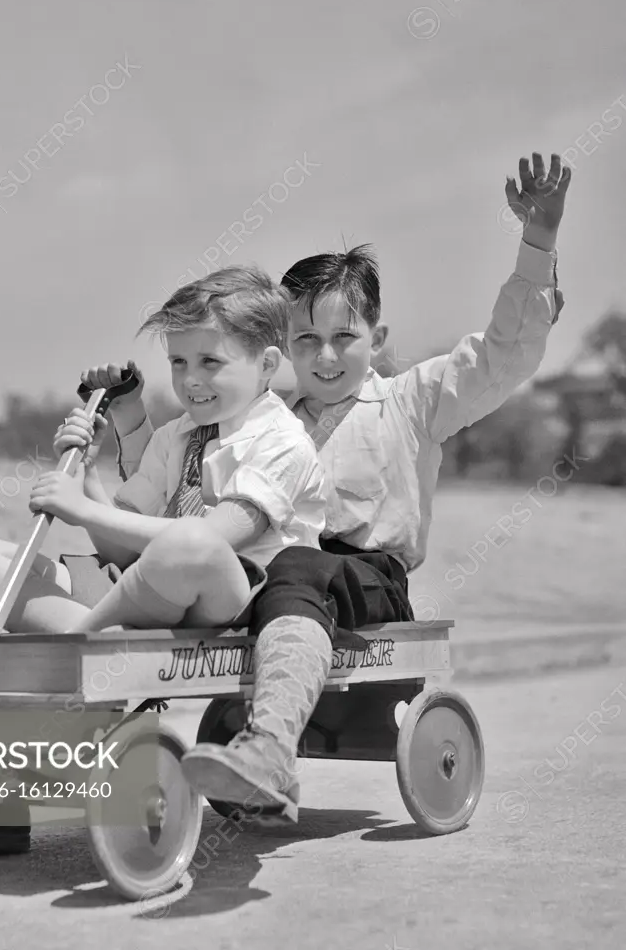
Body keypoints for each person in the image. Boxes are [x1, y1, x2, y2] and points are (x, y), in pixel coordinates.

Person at [113, 152, 572, 820]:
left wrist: (537, 242)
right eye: (305, 340)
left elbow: (503, 357)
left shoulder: (411, 400)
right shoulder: (260, 423)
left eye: (342, 338)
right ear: (279, 348)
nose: (324, 358)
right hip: (274, 579)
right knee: (217, 572)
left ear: (376, 338)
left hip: (369, 578)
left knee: (298, 564)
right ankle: (101, 746)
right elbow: (176, 495)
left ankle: (270, 749)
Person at [0, 265, 326, 636]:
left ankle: (83, 633)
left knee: (193, 540)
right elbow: (122, 555)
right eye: (178, 362)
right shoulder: (174, 436)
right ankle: (94, 634)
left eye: (210, 361)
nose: (190, 379)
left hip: (230, 604)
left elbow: (216, 538)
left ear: (267, 364)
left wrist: (82, 512)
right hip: (142, 591)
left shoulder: (283, 441)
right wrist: (86, 475)